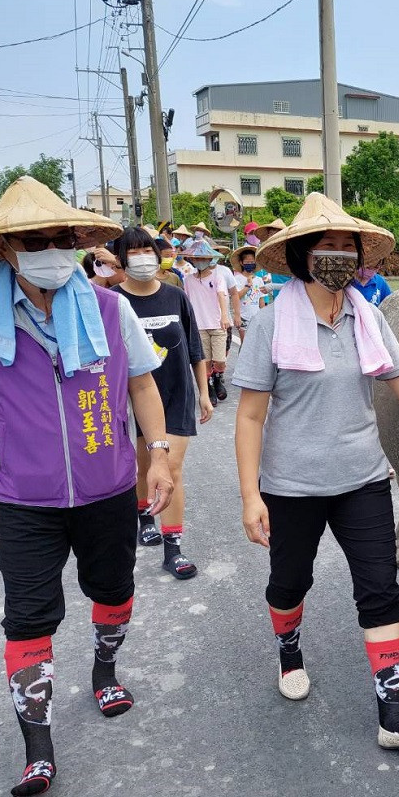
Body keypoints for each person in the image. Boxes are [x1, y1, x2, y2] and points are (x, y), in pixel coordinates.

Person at [233, 193, 399, 750]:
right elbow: (251, 415)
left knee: (380, 591)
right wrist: (249, 495)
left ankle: (394, 714)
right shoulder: (269, 325)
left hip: (362, 479)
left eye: (345, 246)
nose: (337, 255)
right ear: (303, 255)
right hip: (291, 486)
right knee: (290, 584)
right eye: (325, 245)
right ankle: (289, 653)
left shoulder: (368, 316)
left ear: (359, 257)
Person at [0, 176, 172, 797]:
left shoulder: (108, 307)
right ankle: (37, 749)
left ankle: (104, 669)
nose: (52, 249)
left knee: (114, 589)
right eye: (35, 240)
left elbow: (142, 387)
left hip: (107, 489)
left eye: (61, 239)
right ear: (7, 250)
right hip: (23, 501)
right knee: (27, 619)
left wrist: (159, 456)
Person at [113, 226, 213, 578]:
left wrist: (203, 392)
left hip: (176, 393)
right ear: (122, 260)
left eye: (147, 250)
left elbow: (193, 348)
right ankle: (144, 517)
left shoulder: (175, 296)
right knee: (143, 467)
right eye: (133, 252)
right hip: (132, 399)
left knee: (170, 468)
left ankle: (174, 549)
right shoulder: (112, 301)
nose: (142, 257)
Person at [179, 238, 230, 405]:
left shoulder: (217, 277)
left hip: (216, 324)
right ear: (192, 260)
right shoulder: (188, 280)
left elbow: (221, 295)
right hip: (199, 326)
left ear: (210, 259)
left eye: (203, 258)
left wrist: (224, 316)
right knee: (205, 361)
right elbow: (186, 301)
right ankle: (209, 388)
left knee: (220, 360)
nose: (200, 262)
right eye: (197, 259)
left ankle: (217, 377)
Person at [230, 244, 270, 343]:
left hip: (256, 316)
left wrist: (263, 315)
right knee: (245, 344)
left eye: (252, 262)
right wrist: (247, 286)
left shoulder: (259, 280)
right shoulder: (237, 279)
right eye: (247, 262)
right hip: (243, 316)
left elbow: (261, 299)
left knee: (257, 344)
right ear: (241, 263)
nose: (250, 264)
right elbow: (236, 296)